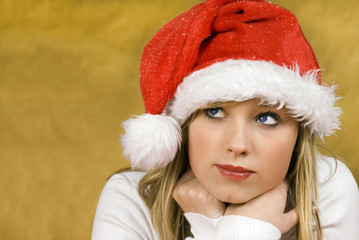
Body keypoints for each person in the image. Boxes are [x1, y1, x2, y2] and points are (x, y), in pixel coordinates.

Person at [91, 0, 359, 239]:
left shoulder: (328, 189)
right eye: (215, 112)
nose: (238, 145)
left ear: (298, 134)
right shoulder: (131, 199)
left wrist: (214, 229)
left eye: (267, 117)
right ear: (184, 126)